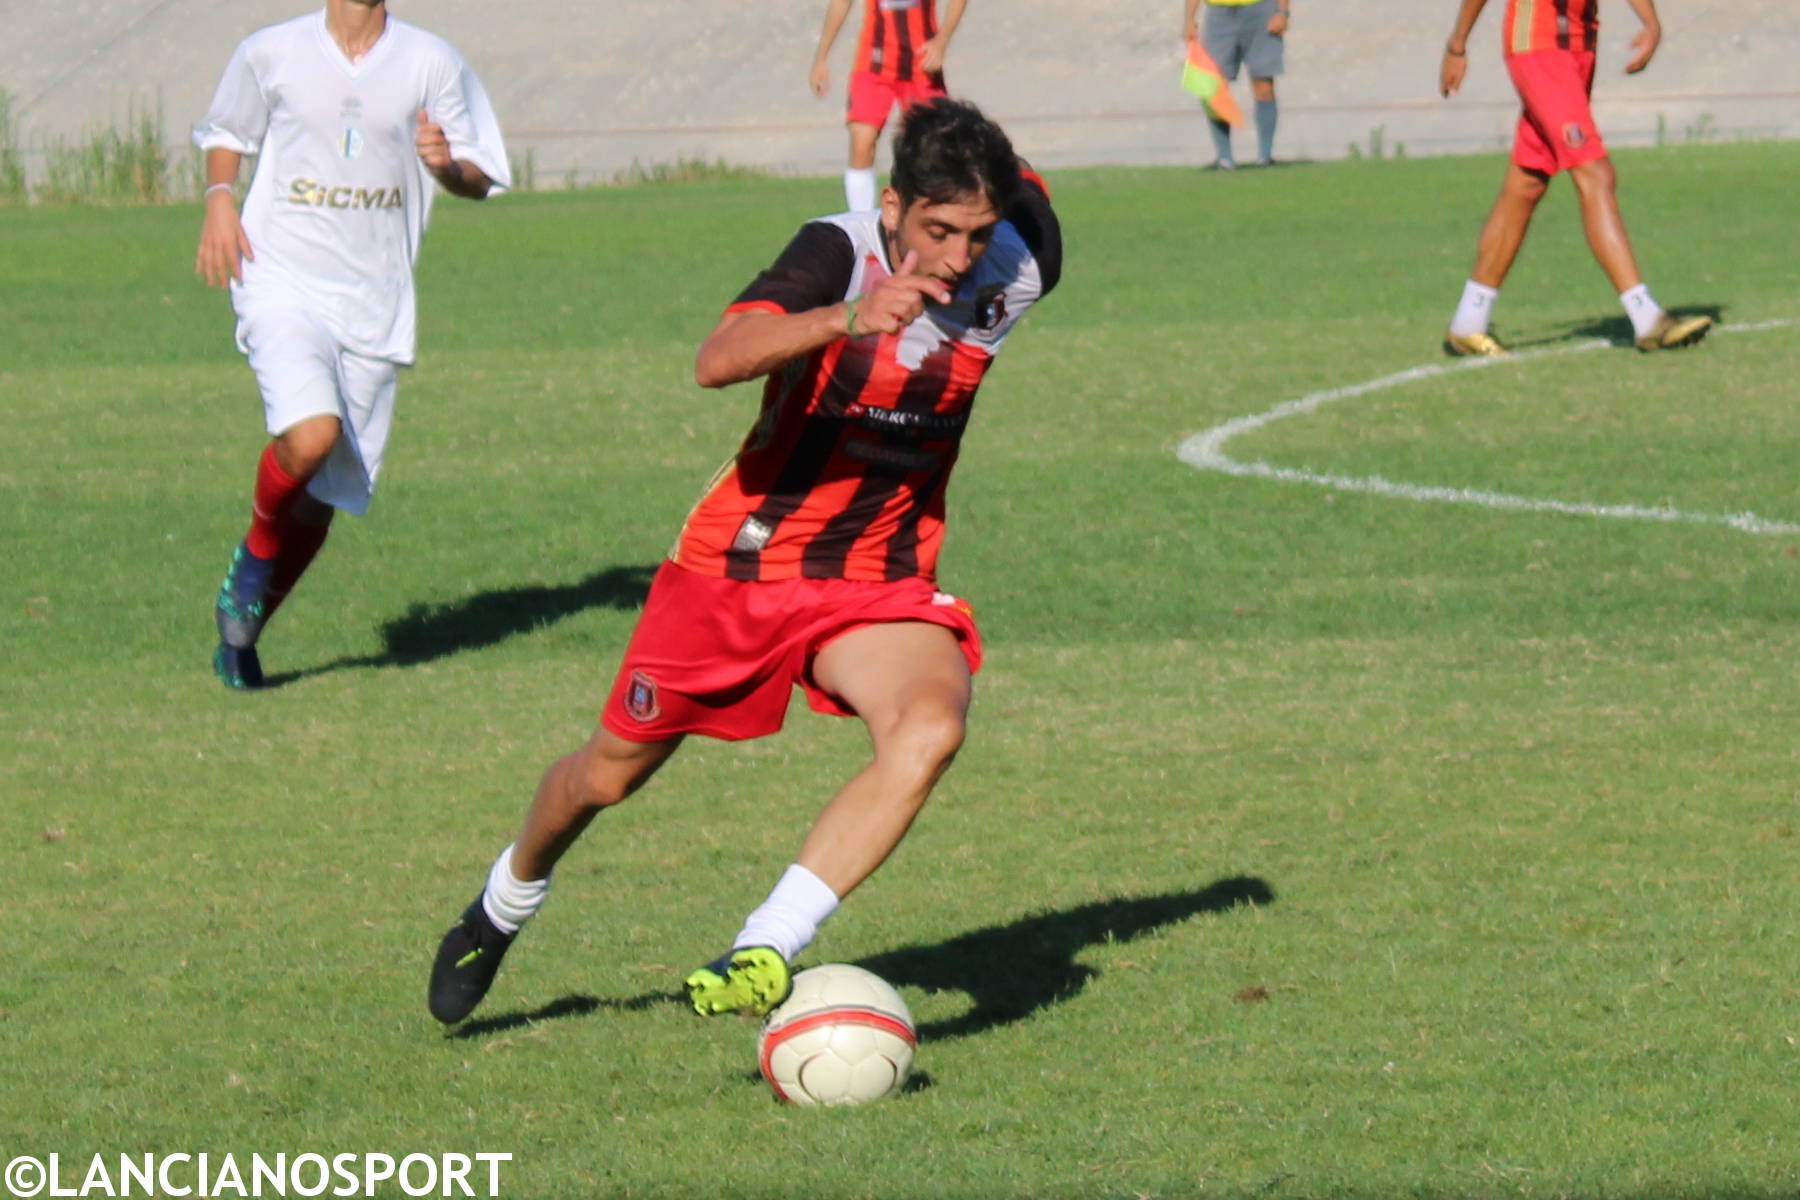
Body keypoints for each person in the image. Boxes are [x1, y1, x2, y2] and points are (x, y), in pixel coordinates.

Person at [427, 97, 1062, 1026]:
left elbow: (1006, 174)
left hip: (876, 575)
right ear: (894, 208)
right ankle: (506, 899)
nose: (962, 257)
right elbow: (717, 358)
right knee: (606, 776)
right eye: (939, 231)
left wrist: (951, 107)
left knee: (929, 726)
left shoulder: (1025, 252)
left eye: (978, 233)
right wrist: (845, 317)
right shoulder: (836, 251)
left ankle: (764, 946)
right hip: (741, 564)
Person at [193, 0, 510, 689]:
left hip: (373, 300)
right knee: (309, 436)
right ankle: (253, 552)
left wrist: (448, 166)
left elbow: (480, 176)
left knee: (324, 496)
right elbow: (226, 130)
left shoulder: (431, 61)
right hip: (279, 277)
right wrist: (221, 194)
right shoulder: (271, 50)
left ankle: (243, 636)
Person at [1439, 0, 1711, 356]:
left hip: (1579, 47)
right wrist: (1457, 44)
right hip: (1538, 48)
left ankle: (1468, 323)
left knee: (1527, 183)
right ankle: (1647, 318)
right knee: (1595, 172)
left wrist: (1650, 22)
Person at [811, 0, 968, 212]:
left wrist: (942, 41)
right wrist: (821, 57)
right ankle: (862, 223)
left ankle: (918, 222)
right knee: (861, 142)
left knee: (931, 149)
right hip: (874, 61)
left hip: (921, 63)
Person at [1183, 0, 1290, 169]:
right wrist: (1189, 19)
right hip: (1219, 13)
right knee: (1213, 86)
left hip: (1260, 10)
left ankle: (1265, 157)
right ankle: (1225, 158)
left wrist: (1283, 12)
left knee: (1263, 84)